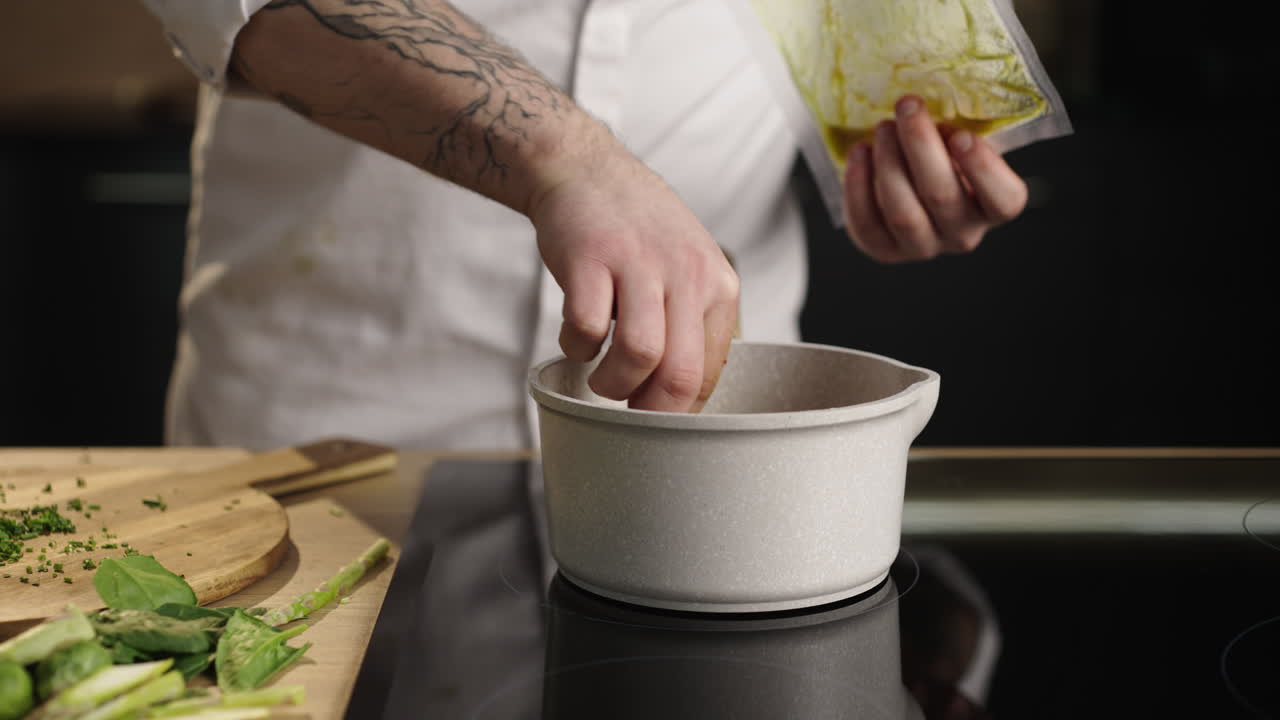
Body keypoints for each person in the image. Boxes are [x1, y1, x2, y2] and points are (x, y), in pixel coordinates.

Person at [140, 0, 1028, 451]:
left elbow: (881, 51)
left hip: (725, 456)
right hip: (336, 436)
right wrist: (568, 159)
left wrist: (904, 164)